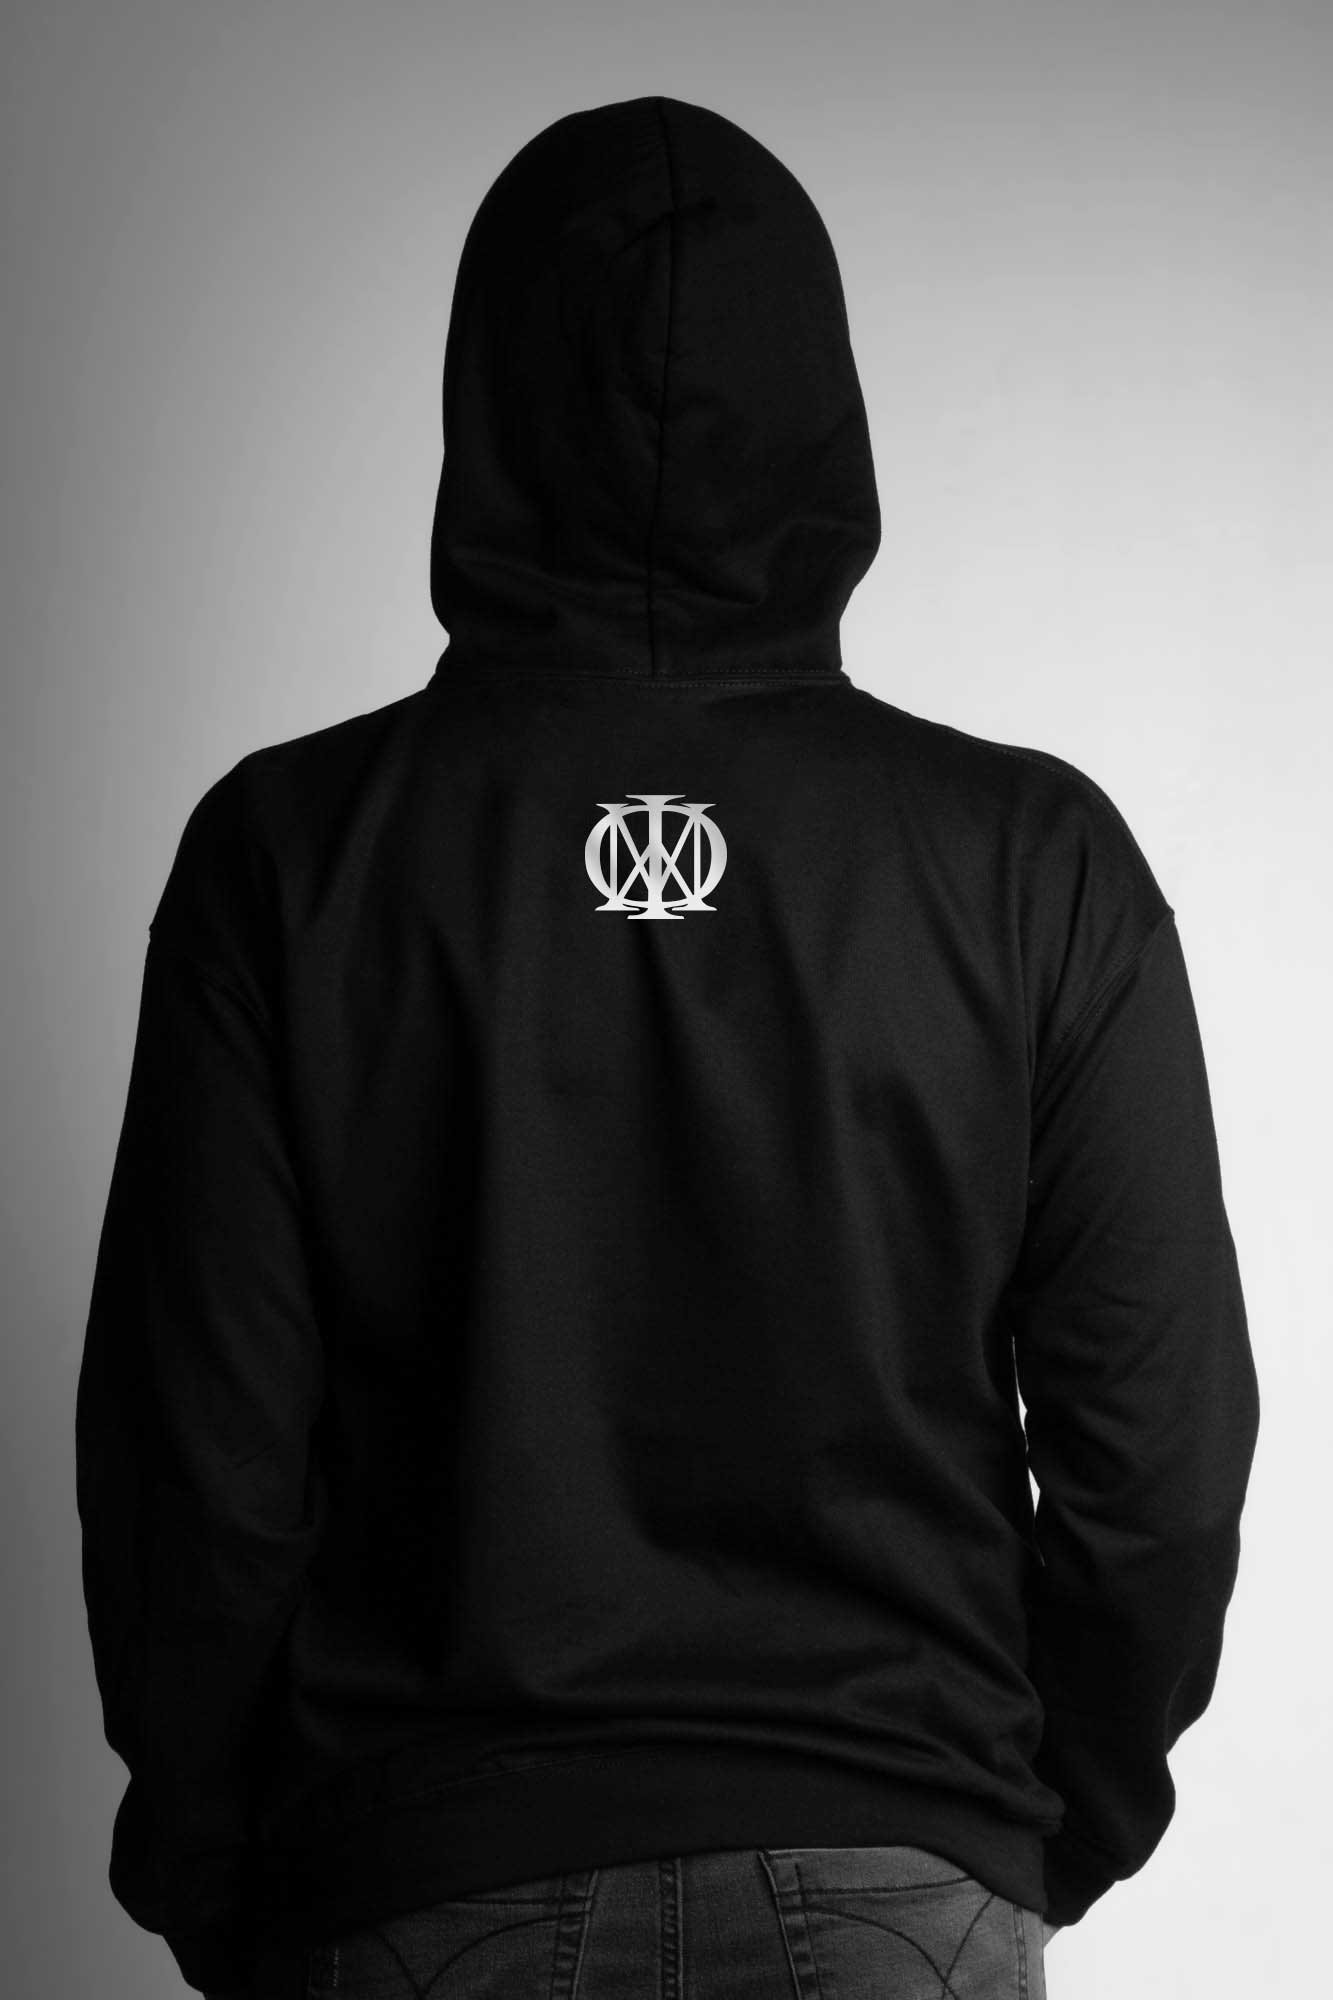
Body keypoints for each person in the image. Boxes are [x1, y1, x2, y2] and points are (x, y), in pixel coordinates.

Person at [75, 94, 1260, 1999]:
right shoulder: (1029, 862)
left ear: (485, 391)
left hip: (421, 1884)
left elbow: (194, 1470)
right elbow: (1161, 1466)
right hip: (902, 1875)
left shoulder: (290, 856)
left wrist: (227, 1871)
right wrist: (1031, 1830)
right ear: (822, 402)